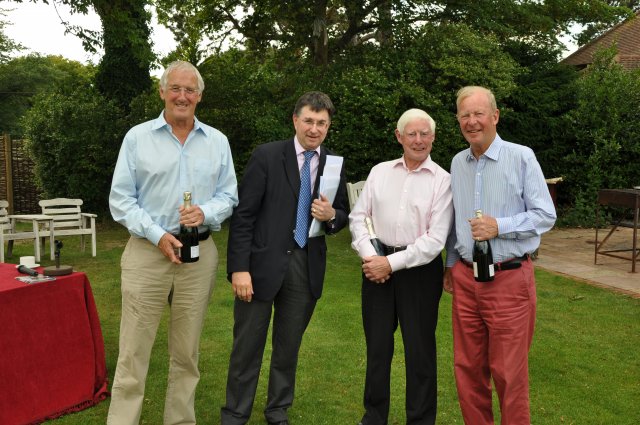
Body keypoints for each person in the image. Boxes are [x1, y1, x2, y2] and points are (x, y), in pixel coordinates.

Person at [108, 60, 238, 425]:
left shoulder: (217, 142)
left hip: (199, 255)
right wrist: (157, 234)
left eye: (190, 90)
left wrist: (205, 212)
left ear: (199, 96)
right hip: (147, 254)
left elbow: (229, 195)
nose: (183, 96)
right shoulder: (137, 138)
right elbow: (121, 199)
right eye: (176, 88)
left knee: (186, 353)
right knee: (133, 351)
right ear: (162, 92)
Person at [221, 91, 349, 425]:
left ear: (329, 125)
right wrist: (239, 269)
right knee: (247, 346)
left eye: (322, 123)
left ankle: (277, 410)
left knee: (288, 347)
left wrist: (332, 216)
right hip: (260, 267)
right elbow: (244, 216)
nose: (314, 128)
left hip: (306, 266)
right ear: (295, 120)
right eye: (308, 120)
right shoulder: (267, 156)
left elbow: (342, 214)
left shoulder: (334, 163)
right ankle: (235, 413)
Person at [444, 86, 556, 425]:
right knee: (468, 369)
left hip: (508, 280)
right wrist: (451, 265)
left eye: (478, 114)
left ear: (495, 116)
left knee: (509, 373)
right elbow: (456, 219)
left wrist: (500, 226)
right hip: (466, 279)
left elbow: (545, 215)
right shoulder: (458, 163)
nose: (472, 121)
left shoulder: (521, 157)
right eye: (465, 115)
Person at [349, 108, 453, 425]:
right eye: (412, 133)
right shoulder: (380, 172)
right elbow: (358, 218)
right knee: (378, 349)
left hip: (419, 272)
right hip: (376, 266)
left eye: (424, 134)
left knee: (420, 352)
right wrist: (372, 258)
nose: (418, 140)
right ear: (399, 136)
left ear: (433, 137)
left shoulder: (443, 180)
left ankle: (420, 420)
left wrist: (389, 264)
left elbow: (435, 240)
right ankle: (374, 417)